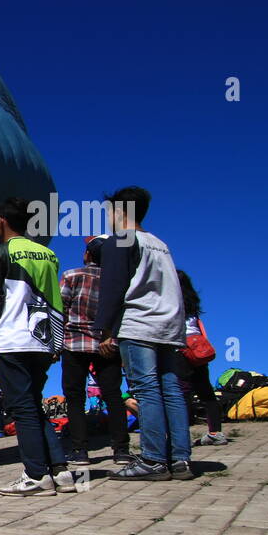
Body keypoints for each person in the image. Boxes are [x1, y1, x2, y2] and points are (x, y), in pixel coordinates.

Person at [0, 198, 73, 496]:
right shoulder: (48, 255)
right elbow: (56, 300)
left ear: (1, 220)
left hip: (14, 340)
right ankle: (61, 471)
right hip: (44, 341)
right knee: (33, 404)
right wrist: (57, 342)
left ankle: (35, 476)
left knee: (23, 410)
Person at [93, 187, 192, 481]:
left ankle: (152, 460)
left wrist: (105, 330)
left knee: (145, 389)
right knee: (171, 389)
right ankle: (180, 459)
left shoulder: (120, 241)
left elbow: (113, 287)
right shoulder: (159, 243)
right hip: (168, 324)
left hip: (138, 322)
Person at [59, 238, 131, 464]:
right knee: (113, 396)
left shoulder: (71, 276)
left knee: (75, 398)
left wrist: (56, 343)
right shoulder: (119, 281)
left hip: (74, 343)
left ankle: (80, 450)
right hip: (107, 344)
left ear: (87, 255)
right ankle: (121, 450)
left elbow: (60, 309)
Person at [175, 271, 226, 447]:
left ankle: (181, 436)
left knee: (182, 393)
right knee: (206, 391)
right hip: (198, 349)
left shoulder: (169, 300)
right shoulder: (192, 302)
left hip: (180, 348)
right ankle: (215, 432)